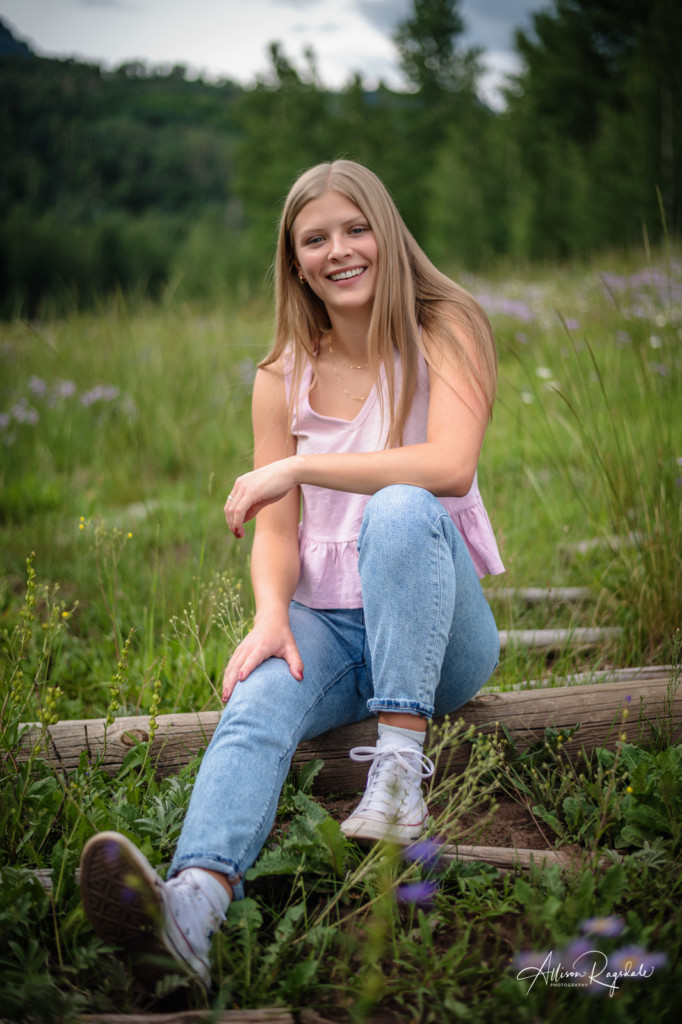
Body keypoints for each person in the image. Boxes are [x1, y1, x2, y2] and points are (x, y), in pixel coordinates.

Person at [79, 159, 505, 989]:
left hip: (439, 629)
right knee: (255, 702)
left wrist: (300, 472)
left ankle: (397, 778)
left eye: (355, 229)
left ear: (385, 232)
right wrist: (271, 610)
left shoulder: (447, 324)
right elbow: (274, 533)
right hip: (332, 625)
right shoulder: (281, 376)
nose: (339, 251)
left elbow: (450, 466)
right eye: (316, 239)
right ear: (295, 259)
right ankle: (191, 907)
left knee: (400, 505)